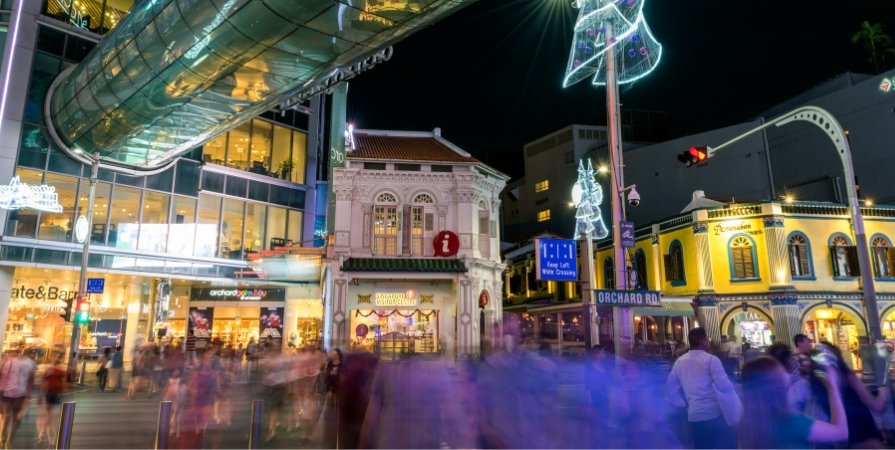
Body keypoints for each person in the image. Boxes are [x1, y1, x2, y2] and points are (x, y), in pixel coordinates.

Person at [739, 356, 848, 448]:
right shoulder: (791, 423)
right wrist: (833, 386)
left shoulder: (747, 426)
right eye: (782, 373)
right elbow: (841, 432)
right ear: (778, 384)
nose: (787, 376)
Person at [666, 327, 737, 449]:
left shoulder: (680, 361)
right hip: (714, 414)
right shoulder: (711, 360)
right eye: (707, 339)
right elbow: (724, 385)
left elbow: (670, 387)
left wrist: (681, 405)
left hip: (694, 415)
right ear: (703, 341)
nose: (709, 342)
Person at [821, 342, 889, 448]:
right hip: (861, 430)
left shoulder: (820, 383)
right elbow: (876, 406)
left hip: (841, 433)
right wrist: (883, 393)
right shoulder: (848, 376)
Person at [0, 348, 36, 446]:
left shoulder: (7, 361)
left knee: (7, 416)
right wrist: (28, 395)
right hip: (18, 393)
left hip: (9, 393)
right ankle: (7, 440)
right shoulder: (30, 363)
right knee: (13, 417)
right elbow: (31, 380)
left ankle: (3, 438)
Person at [37, 356, 67, 443]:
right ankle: (48, 436)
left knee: (48, 414)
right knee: (51, 415)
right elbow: (63, 382)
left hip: (49, 393)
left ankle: (44, 433)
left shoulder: (48, 370)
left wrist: (40, 394)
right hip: (55, 393)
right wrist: (63, 392)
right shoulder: (60, 371)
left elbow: (44, 383)